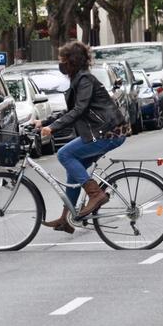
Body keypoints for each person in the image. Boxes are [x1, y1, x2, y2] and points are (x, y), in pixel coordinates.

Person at [33, 41, 130, 234]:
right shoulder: (80, 79)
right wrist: (44, 123)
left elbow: (79, 110)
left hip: (109, 132)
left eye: (63, 60)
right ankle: (66, 219)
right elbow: (72, 111)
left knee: (64, 154)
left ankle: (95, 194)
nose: (61, 64)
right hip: (104, 131)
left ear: (72, 62)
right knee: (74, 171)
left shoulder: (85, 80)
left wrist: (52, 128)